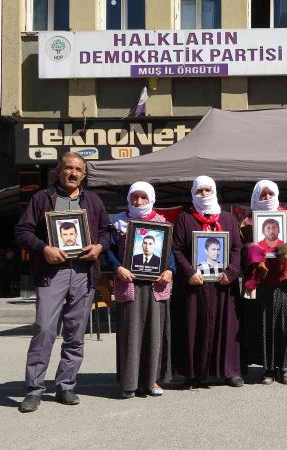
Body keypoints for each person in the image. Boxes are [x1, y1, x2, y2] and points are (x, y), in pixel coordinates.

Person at [14, 152, 109, 413]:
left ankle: (66, 386)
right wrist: (44, 248)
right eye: (68, 168)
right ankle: (34, 390)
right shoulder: (42, 198)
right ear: (59, 171)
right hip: (51, 273)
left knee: (75, 333)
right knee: (45, 330)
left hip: (83, 272)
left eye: (78, 169)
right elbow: (22, 231)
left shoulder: (93, 200)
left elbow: (106, 232)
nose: (73, 173)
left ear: (84, 175)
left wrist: (99, 246)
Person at [171, 176, 244, 388]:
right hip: (195, 284)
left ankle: (229, 371)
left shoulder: (228, 219)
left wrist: (231, 272)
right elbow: (176, 249)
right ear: (193, 193)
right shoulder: (185, 218)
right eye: (199, 191)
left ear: (214, 191)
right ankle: (193, 374)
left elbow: (236, 248)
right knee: (193, 326)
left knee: (227, 328)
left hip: (223, 284)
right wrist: (189, 272)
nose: (204, 195)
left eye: (207, 190)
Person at [105, 181, 174, 398]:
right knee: (130, 333)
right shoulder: (118, 223)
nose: (139, 201)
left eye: (143, 197)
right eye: (135, 197)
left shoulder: (161, 223)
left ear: (151, 198)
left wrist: (170, 270)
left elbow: (170, 252)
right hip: (130, 284)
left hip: (155, 285)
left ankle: (151, 381)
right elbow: (108, 251)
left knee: (155, 333)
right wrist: (118, 268)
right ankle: (129, 383)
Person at [239, 180, 287, 385]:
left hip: (284, 281)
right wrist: (253, 249)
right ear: (256, 197)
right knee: (263, 325)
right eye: (263, 195)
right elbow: (239, 245)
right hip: (261, 282)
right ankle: (268, 368)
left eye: (270, 194)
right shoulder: (248, 221)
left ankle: (285, 365)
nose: (267, 198)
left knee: (285, 324)